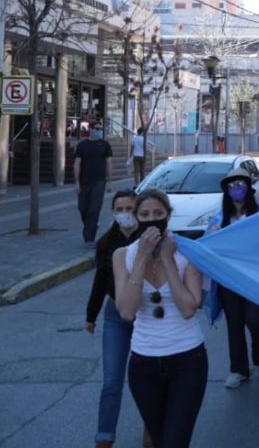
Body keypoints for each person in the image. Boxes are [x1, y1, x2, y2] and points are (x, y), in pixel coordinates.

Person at [113, 190, 206, 448]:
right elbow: (127, 311)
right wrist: (143, 256)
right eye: (144, 215)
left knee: (175, 442)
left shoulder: (186, 254)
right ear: (136, 218)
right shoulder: (123, 256)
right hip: (144, 364)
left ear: (168, 216)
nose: (151, 220)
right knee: (158, 439)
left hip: (187, 360)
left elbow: (189, 308)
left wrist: (166, 259)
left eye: (158, 214)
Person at [85, 190, 145, 448]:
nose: (124, 214)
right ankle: (104, 437)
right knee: (111, 381)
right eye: (119, 209)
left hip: (145, 317)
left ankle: (151, 429)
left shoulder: (150, 238)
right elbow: (100, 280)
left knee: (146, 380)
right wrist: (91, 315)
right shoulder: (107, 242)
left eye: (129, 208)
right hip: (115, 315)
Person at [205, 169, 259, 389]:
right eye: (231, 186)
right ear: (225, 190)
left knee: (255, 321)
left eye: (240, 184)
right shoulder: (219, 219)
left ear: (248, 188)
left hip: (253, 280)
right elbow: (206, 245)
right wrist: (212, 235)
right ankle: (238, 369)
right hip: (228, 281)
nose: (236, 189)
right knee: (234, 325)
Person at [75, 121, 114, 248]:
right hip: (84, 181)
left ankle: (89, 238)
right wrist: (76, 182)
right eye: (96, 128)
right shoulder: (82, 145)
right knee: (82, 208)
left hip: (99, 181)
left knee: (94, 209)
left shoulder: (105, 145)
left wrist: (109, 182)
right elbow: (77, 163)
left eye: (100, 129)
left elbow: (109, 163)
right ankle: (90, 225)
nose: (98, 131)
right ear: (90, 129)